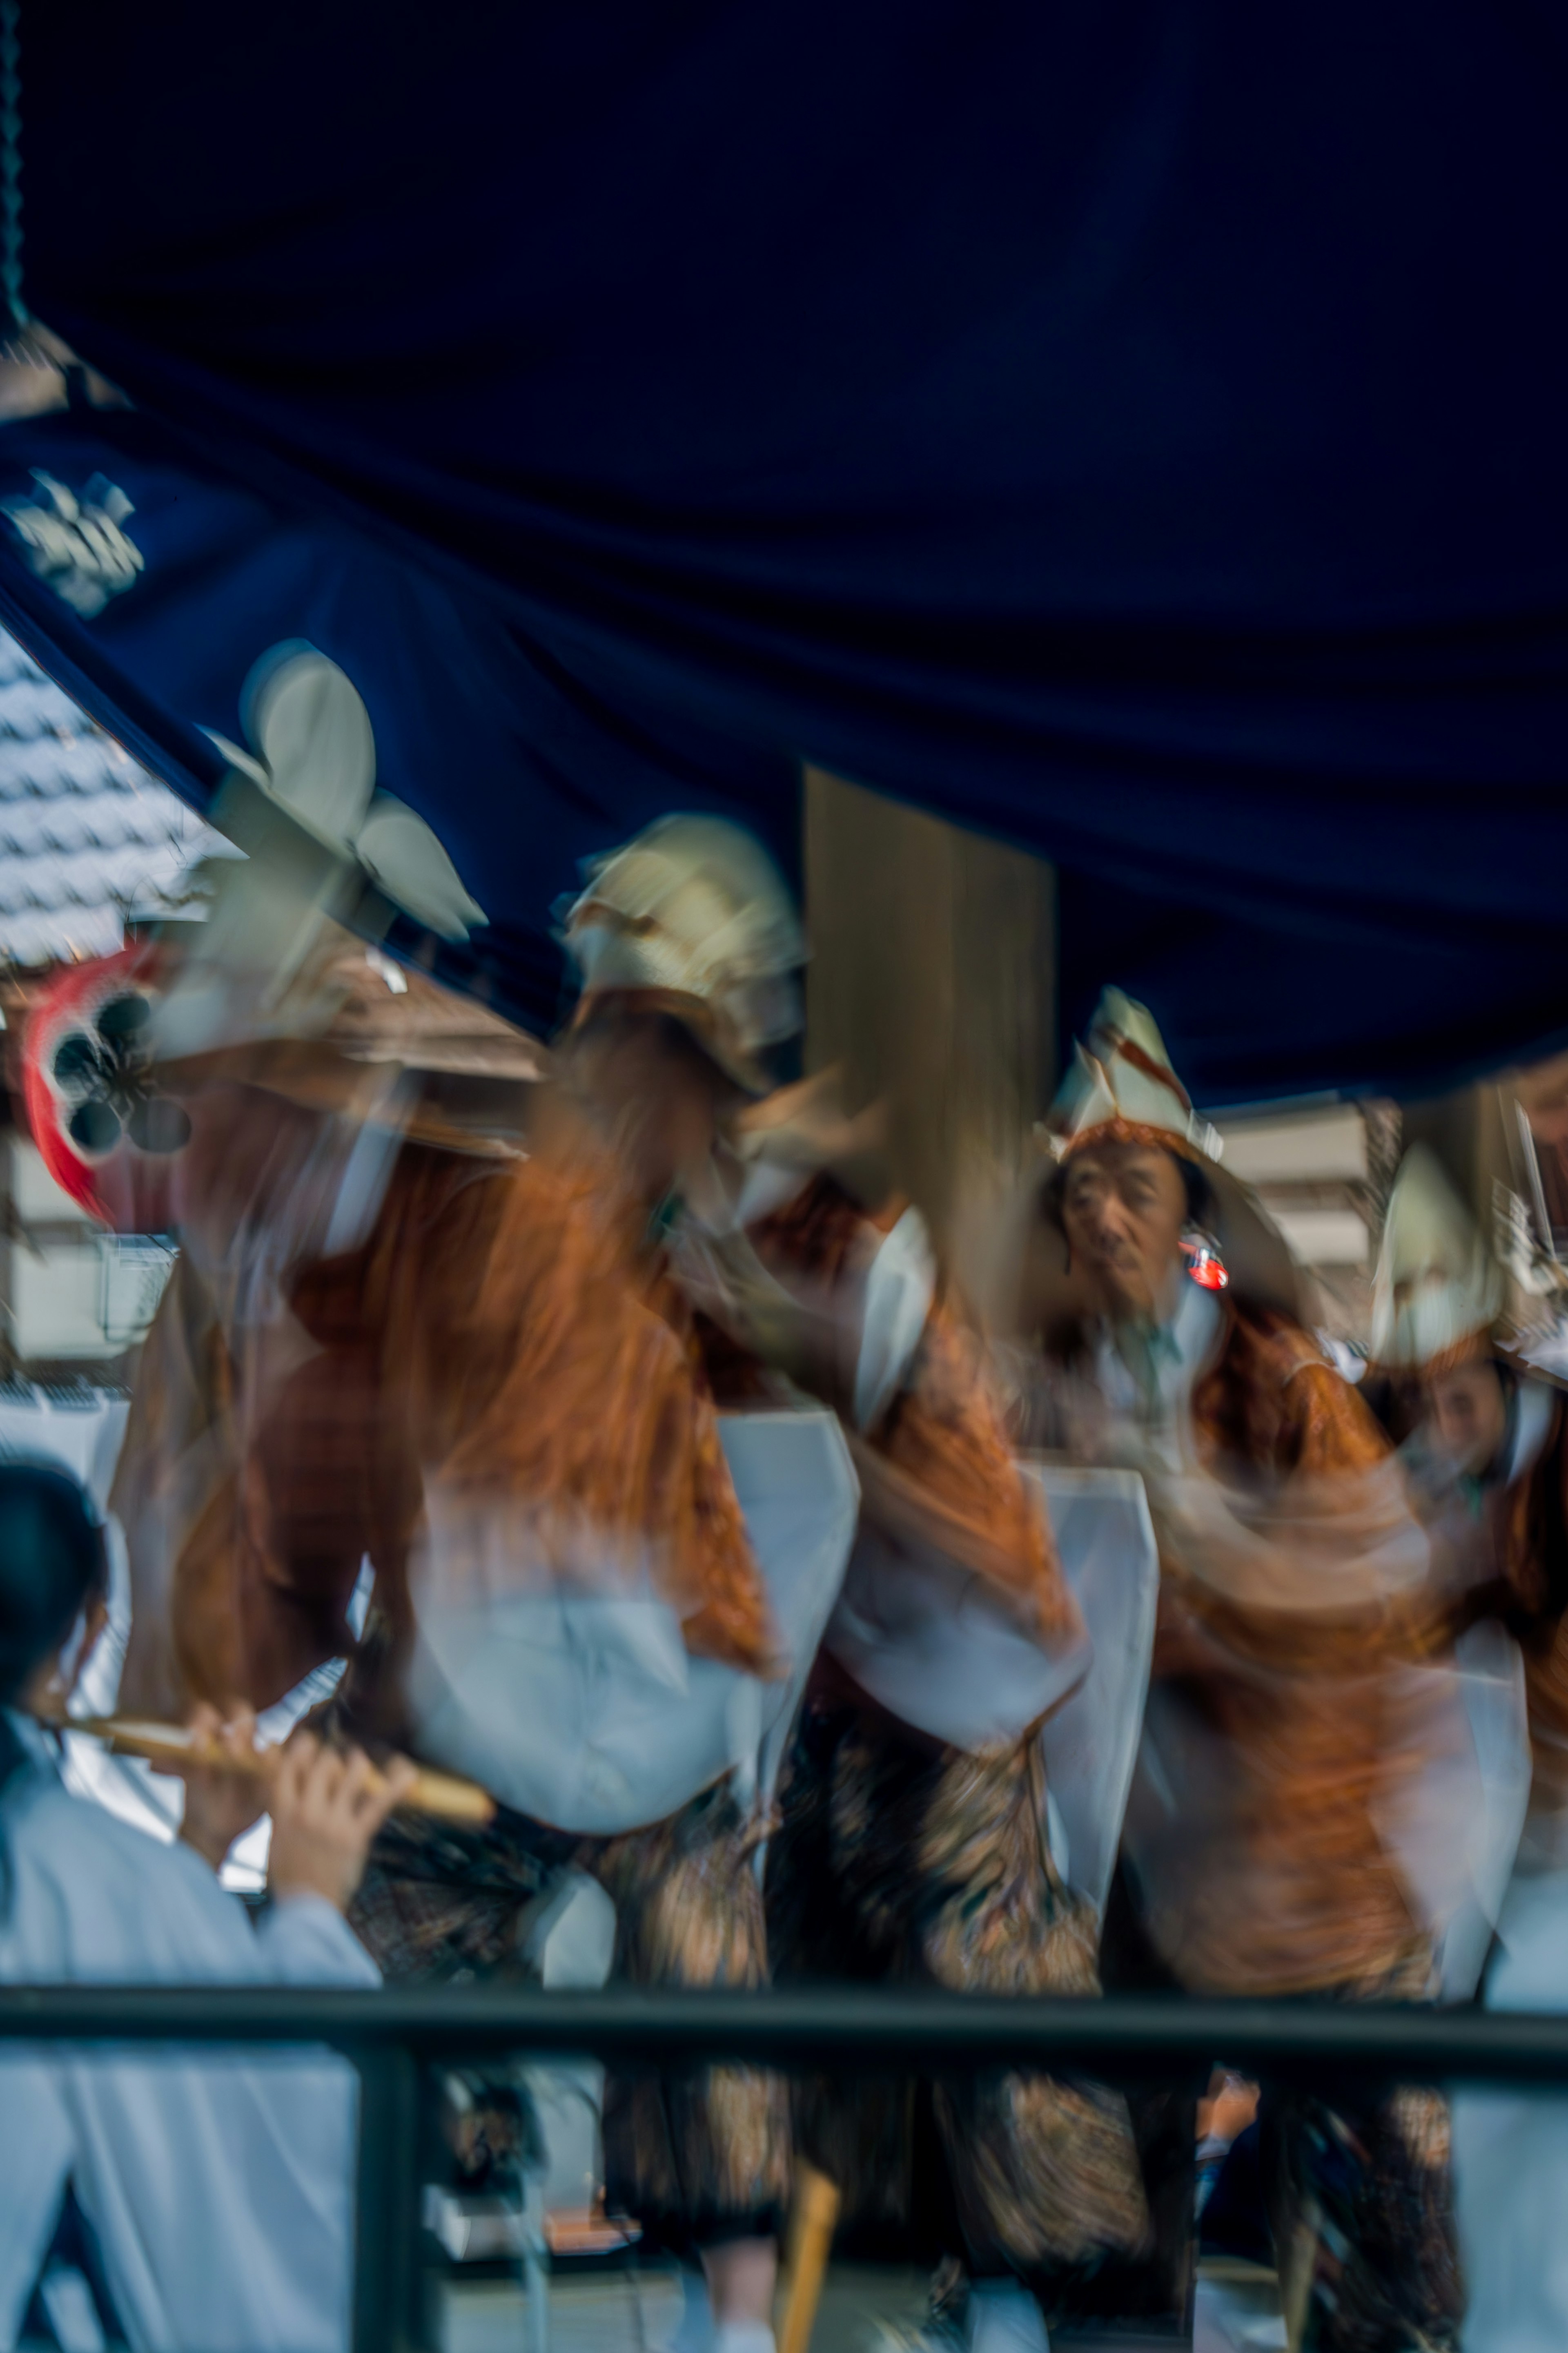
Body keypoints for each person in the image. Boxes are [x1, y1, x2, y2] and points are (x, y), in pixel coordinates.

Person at [558, 819, 1151, 2353]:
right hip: (784, 1695)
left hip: (953, 1704)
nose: (605, 1077)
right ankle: (758, 2306)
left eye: (637, 1038)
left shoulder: (855, 1250)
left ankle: (1016, 2309)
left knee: (976, 1985)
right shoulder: (637, 1236)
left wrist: (807, 1361)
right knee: (776, 1997)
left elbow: (985, 1538)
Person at [1015, 989, 1467, 2353]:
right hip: (1142, 1840)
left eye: (1132, 1184)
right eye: (1083, 1190)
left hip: (1312, 1850)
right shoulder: (1047, 1382)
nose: (1104, 1215)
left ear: (1185, 1203)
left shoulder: (1279, 1378)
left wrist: (1229, 1571)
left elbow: (1385, 1590)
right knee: (1104, 2201)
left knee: (1381, 2225)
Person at [0, 1458, 410, 2353]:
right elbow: (281, 2154)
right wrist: (306, 1906)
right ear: (84, 1636)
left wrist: (199, 1850)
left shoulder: (102, 1880)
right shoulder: (103, 1878)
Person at [1364, 1144, 1568, 2353]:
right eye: (1419, 1397)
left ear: (1500, 1366)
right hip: (1505, 1865)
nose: (1440, 1418)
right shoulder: (1430, 1487)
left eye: (1458, 1391)